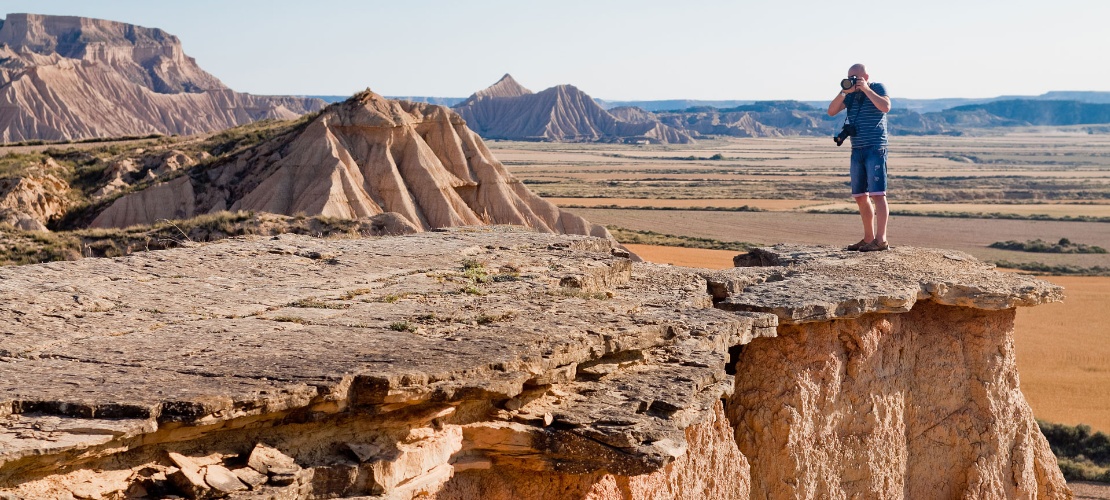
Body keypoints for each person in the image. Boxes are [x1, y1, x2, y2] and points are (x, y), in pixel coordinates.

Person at [827, 63, 892, 252]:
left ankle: (881, 240)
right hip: (857, 149)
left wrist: (866, 89)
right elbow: (831, 111)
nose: (853, 81)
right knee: (860, 196)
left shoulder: (877, 88)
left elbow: (885, 106)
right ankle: (868, 238)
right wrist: (844, 92)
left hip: (875, 148)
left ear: (866, 76)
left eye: (856, 77)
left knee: (878, 194)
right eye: (850, 77)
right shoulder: (850, 96)